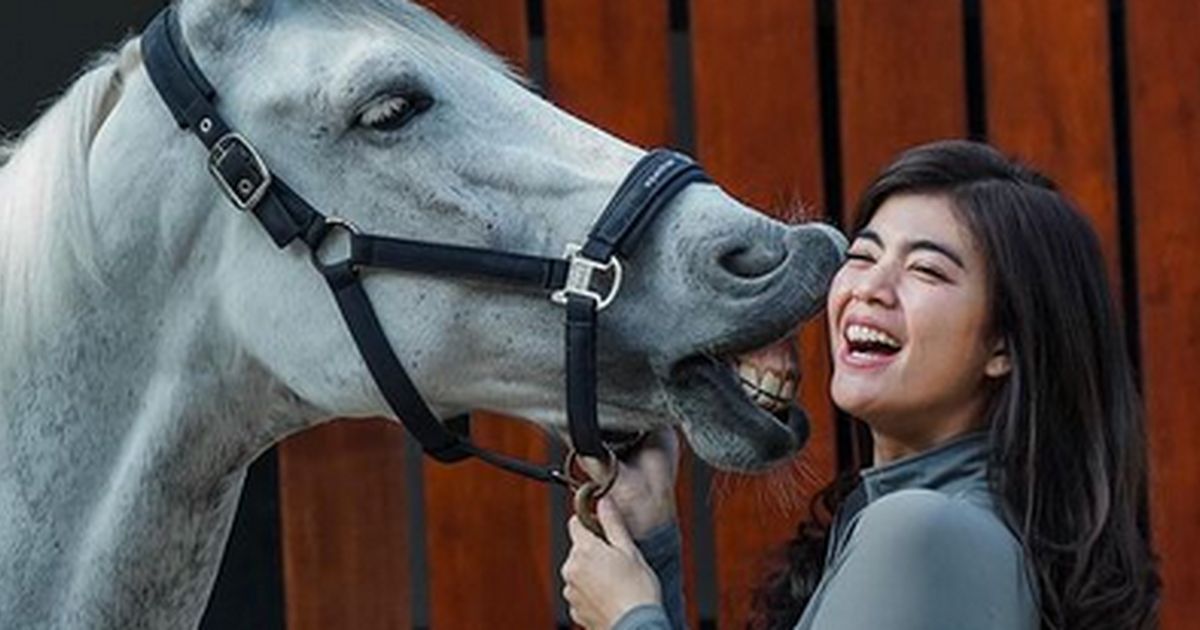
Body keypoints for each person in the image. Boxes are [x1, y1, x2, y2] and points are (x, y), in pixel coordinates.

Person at [559, 140, 1160, 630]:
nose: (870, 287)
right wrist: (652, 543)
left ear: (1003, 346)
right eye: (865, 256)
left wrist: (627, 619)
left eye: (926, 270)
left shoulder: (925, 534)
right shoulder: (952, 527)